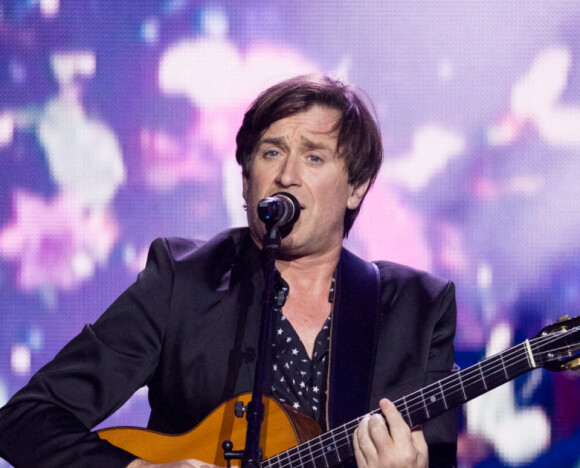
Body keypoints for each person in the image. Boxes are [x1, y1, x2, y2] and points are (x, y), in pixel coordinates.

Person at [0, 74, 457, 467]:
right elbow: (26, 418)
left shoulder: (416, 311)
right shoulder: (183, 280)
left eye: (314, 157)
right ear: (245, 180)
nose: (287, 175)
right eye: (271, 153)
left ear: (356, 187)